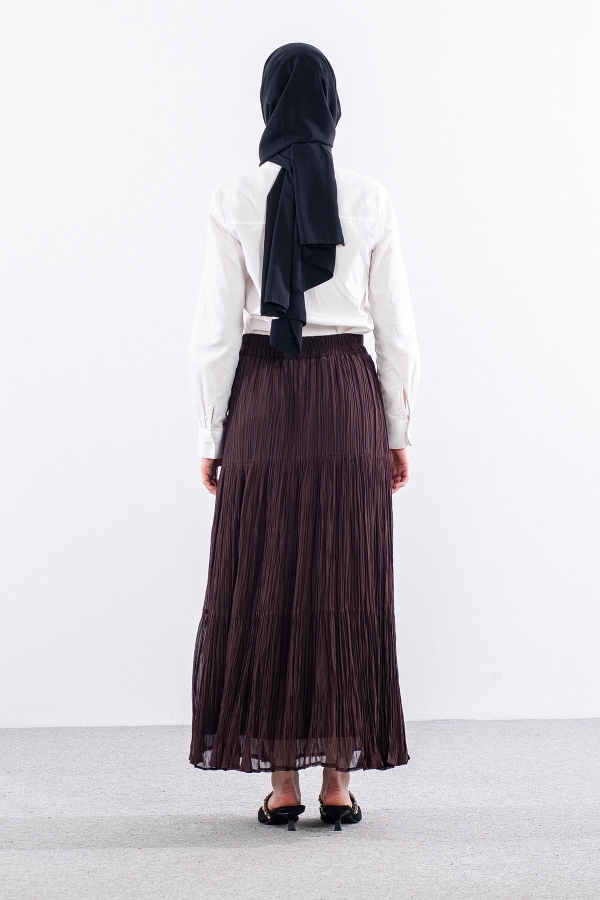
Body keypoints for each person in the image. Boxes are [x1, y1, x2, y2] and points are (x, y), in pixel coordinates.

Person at [187, 42, 421, 832]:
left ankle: (282, 784)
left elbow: (216, 333)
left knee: (269, 582)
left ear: (267, 104)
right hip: (347, 397)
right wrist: (397, 427)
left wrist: (211, 434)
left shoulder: (234, 198)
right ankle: (338, 786)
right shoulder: (370, 198)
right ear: (332, 105)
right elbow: (398, 331)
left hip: (264, 396)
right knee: (345, 581)